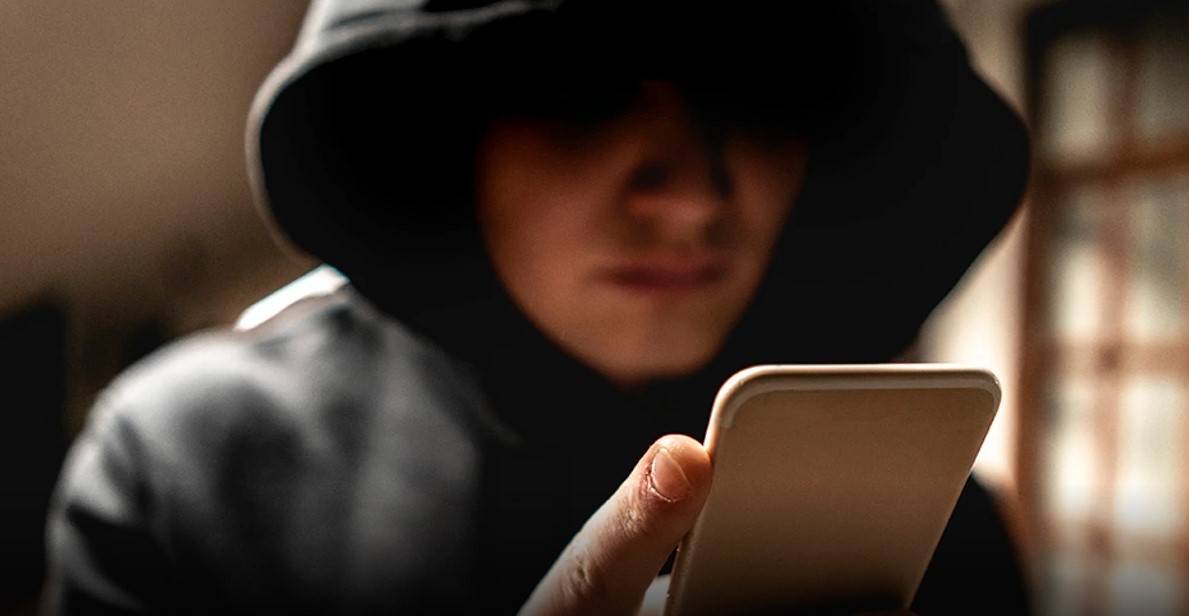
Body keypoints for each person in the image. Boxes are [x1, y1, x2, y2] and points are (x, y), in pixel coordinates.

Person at [45, 0, 1033, 613]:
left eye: (762, 97)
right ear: (443, 130)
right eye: (583, 93)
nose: (693, 195)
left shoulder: (925, 531)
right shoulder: (185, 472)